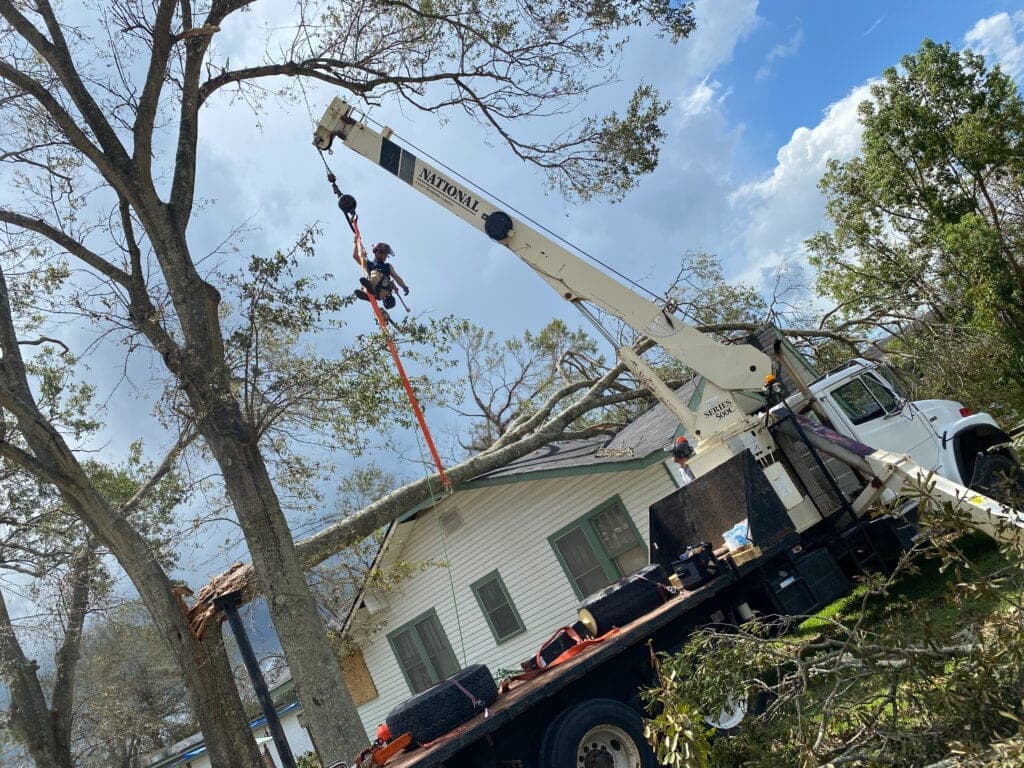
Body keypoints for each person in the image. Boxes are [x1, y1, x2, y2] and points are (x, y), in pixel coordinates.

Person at [353, 240, 409, 310]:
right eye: (382, 252)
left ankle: (370, 290)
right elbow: (355, 256)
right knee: (366, 283)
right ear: (376, 252)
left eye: (386, 254)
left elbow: (396, 277)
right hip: (377, 293)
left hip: (384, 287)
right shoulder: (369, 264)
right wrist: (356, 242)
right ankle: (368, 295)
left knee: (375, 273)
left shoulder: (387, 266)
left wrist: (404, 286)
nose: (384, 256)